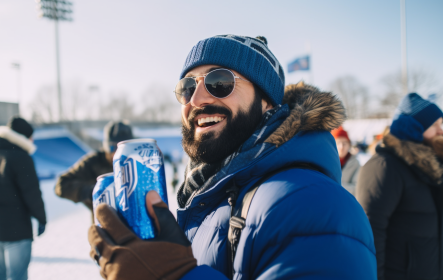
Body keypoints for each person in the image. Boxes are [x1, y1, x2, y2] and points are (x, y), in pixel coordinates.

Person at [88, 35, 376, 280]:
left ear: (266, 103)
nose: (197, 99)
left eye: (220, 81)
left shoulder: (312, 204)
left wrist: (175, 274)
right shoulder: (210, 198)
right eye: (187, 87)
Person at [357, 93, 443, 280]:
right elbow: (370, 231)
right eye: (435, 125)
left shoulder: (432, 167)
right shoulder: (385, 166)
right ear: (414, 127)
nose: (440, 131)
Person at [0, 117, 46, 280]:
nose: (32, 140)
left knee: (1, 273)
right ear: (22, 137)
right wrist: (42, 218)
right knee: (17, 276)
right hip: (17, 230)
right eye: (30, 136)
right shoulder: (21, 158)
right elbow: (32, 193)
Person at [55, 121, 133, 212]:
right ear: (106, 146)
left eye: (124, 148)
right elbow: (61, 184)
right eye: (113, 147)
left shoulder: (137, 163)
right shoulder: (93, 162)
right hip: (103, 221)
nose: (117, 154)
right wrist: (91, 191)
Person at [331, 126, 361, 194]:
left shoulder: (356, 163)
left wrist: (335, 186)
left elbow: (357, 188)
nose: (341, 147)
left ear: (349, 144)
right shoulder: (326, 163)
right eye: (338, 143)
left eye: (344, 143)